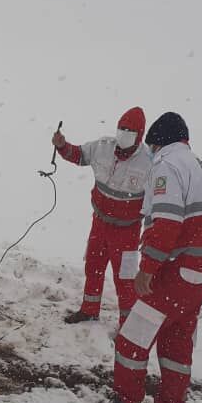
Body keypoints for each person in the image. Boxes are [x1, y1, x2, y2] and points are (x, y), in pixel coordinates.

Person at [97, 112, 202, 403]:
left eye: (152, 145)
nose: (151, 152)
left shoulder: (168, 166)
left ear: (158, 142)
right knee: (176, 342)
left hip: (175, 273)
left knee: (132, 339)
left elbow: (166, 224)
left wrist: (148, 268)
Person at [52, 107, 151, 325]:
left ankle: (128, 323)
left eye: (130, 130)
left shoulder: (149, 162)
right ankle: (89, 310)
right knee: (93, 267)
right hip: (99, 223)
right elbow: (78, 155)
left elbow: (156, 202)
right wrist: (61, 146)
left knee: (125, 278)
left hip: (128, 231)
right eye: (121, 128)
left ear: (140, 135)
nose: (124, 133)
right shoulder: (102, 147)